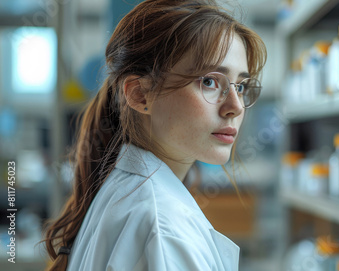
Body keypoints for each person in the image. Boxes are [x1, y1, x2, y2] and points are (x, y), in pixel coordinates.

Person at [42, 0, 266, 270]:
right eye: (209, 81)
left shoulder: (126, 190)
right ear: (139, 94)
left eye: (240, 86)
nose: (236, 106)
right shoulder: (163, 229)